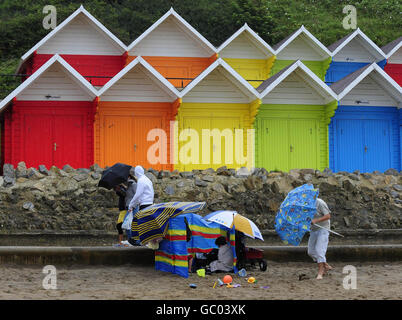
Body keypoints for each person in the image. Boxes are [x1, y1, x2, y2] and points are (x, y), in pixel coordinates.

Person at [308, 197, 333, 279]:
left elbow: (328, 216)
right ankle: (325, 264)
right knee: (311, 251)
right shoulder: (304, 206)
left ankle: (321, 272)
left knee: (320, 251)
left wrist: (316, 220)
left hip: (323, 228)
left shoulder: (320, 203)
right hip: (313, 229)